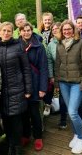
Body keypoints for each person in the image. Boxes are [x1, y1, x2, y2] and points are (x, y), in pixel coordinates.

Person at [0, 22, 32, 155]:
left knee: (16, 121)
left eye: (9, 31)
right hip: (1, 92)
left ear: (12, 32)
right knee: (6, 121)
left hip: (17, 89)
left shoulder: (19, 45)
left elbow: (26, 69)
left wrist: (28, 90)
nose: (6, 33)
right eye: (4, 30)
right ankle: (10, 146)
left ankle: (17, 148)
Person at [55, 20, 82, 154]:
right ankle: (76, 134)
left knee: (72, 112)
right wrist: (57, 82)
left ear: (73, 30)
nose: (66, 32)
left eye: (69, 29)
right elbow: (57, 65)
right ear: (61, 31)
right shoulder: (59, 44)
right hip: (64, 82)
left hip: (77, 83)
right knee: (72, 112)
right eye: (64, 30)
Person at [19, 22, 48, 151]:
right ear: (20, 32)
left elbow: (43, 68)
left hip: (35, 83)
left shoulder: (39, 46)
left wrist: (43, 88)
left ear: (32, 31)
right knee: (24, 112)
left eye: (28, 30)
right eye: (23, 30)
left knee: (35, 112)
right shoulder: (16, 45)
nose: (26, 32)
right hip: (21, 84)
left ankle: (38, 137)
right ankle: (26, 135)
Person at [46, 22, 68, 129]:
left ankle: (78, 118)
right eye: (52, 29)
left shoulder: (68, 41)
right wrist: (51, 76)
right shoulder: (50, 45)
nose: (54, 30)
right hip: (59, 75)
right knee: (62, 99)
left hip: (72, 75)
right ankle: (63, 119)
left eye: (57, 28)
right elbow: (49, 61)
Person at [38, 12, 54, 116]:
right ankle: (43, 103)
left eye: (49, 20)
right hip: (41, 59)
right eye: (45, 20)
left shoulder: (55, 31)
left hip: (51, 60)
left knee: (50, 83)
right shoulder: (38, 32)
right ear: (42, 21)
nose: (47, 22)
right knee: (43, 81)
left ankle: (48, 104)